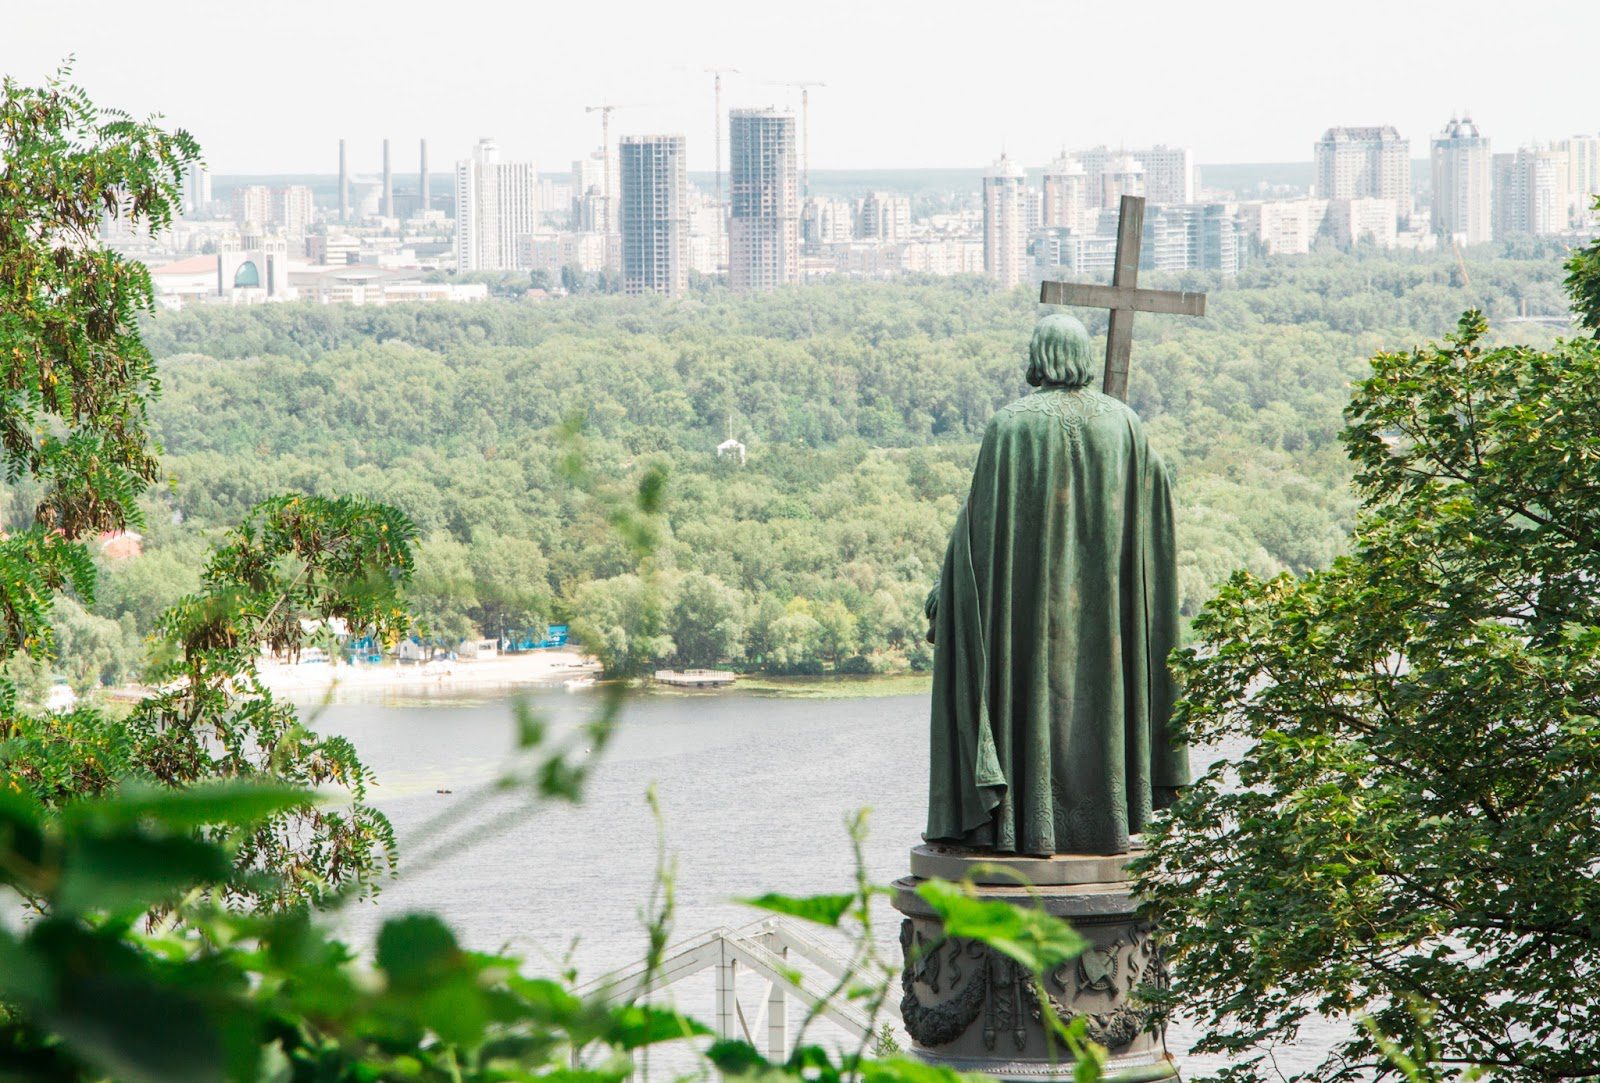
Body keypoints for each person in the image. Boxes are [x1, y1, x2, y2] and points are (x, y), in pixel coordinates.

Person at [924, 313, 1187, 856]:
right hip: (1106, 625)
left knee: (1027, 694)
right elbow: (1151, 516)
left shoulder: (1010, 427)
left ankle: (1021, 823)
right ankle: (1110, 821)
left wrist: (947, 593)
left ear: (1038, 356)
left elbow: (979, 537)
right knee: (1102, 698)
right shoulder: (1125, 426)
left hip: (1026, 621)